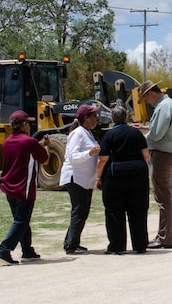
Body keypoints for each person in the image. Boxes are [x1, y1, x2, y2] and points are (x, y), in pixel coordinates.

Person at [0, 110, 50, 265]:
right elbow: (44, 160)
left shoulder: (8, 141)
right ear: (23, 125)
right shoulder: (29, 142)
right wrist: (46, 147)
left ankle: (27, 250)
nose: (30, 126)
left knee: (21, 220)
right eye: (28, 123)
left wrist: (39, 145)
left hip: (9, 185)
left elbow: (24, 151)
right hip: (24, 186)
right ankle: (4, 250)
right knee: (21, 221)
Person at [95, 106, 150, 254]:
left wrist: (98, 177)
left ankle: (117, 246)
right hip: (138, 173)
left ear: (113, 119)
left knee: (114, 210)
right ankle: (140, 245)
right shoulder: (136, 133)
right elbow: (146, 154)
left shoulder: (109, 135)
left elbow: (102, 159)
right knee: (138, 209)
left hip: (115, 175)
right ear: (126, 117)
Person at [139, 80, 172, 249]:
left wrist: (141, 138)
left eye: (145, 98)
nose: (147, 102)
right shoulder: (170, 104)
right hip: (170, 153)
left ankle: (164, 237)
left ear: (150, 93)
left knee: (163, 198)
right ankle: (164, 235)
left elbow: (157, 134)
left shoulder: (163, 107)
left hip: (162, 155)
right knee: (166, 197)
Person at [59, 104, 101, 255]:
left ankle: (70, 241)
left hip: (84, 179)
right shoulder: (77, 134)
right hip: (75, 177)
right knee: (79, 211)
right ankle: (72, 245)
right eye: (93, 115)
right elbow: (73, 157)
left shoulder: (87, 133)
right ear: (86, 118)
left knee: (81, 211)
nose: (96, 118)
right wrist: (89, 153)